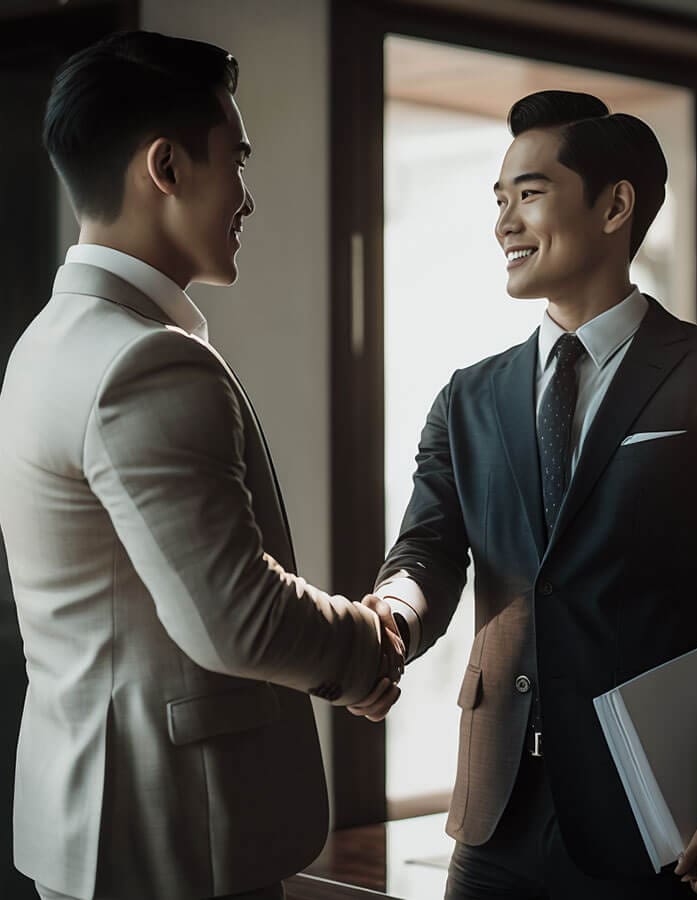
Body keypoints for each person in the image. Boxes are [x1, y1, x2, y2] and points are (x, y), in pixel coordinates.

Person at [366, 90, 697, 899]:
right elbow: (425, 552)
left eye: (529, 194)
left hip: (654, 813)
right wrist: (390, 619)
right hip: (492, 815)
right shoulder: (468, 396)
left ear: (615, 206)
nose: (504, 222)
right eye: (499, 200)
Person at [0, 30, 402, 900]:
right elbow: (238, 617)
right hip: (170, 833)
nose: (248, 197)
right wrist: (368, 644)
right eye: (237, 160)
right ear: (167, 168)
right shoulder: (144, 361)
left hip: (92, 822)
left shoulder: (45, 344)